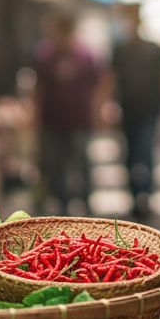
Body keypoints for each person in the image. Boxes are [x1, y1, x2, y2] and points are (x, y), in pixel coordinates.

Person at [33, 11, 104, 215]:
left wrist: (97, 112)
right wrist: (35, 116)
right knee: (55, 166)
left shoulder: (85, 56)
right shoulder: (45, 56)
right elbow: (39, 88)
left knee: (81, 163)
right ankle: (62, 204)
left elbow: (97, 86)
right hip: (52, 120)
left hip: (79, 119)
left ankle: (86, 201)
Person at [111, 4, 160, 220]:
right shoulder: (120, 49)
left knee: (145, 153)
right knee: (131, 154)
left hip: (150, 108)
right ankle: (137, 196)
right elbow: (112, 79)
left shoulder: (154, 49)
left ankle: (144, 196)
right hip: (128, 109)